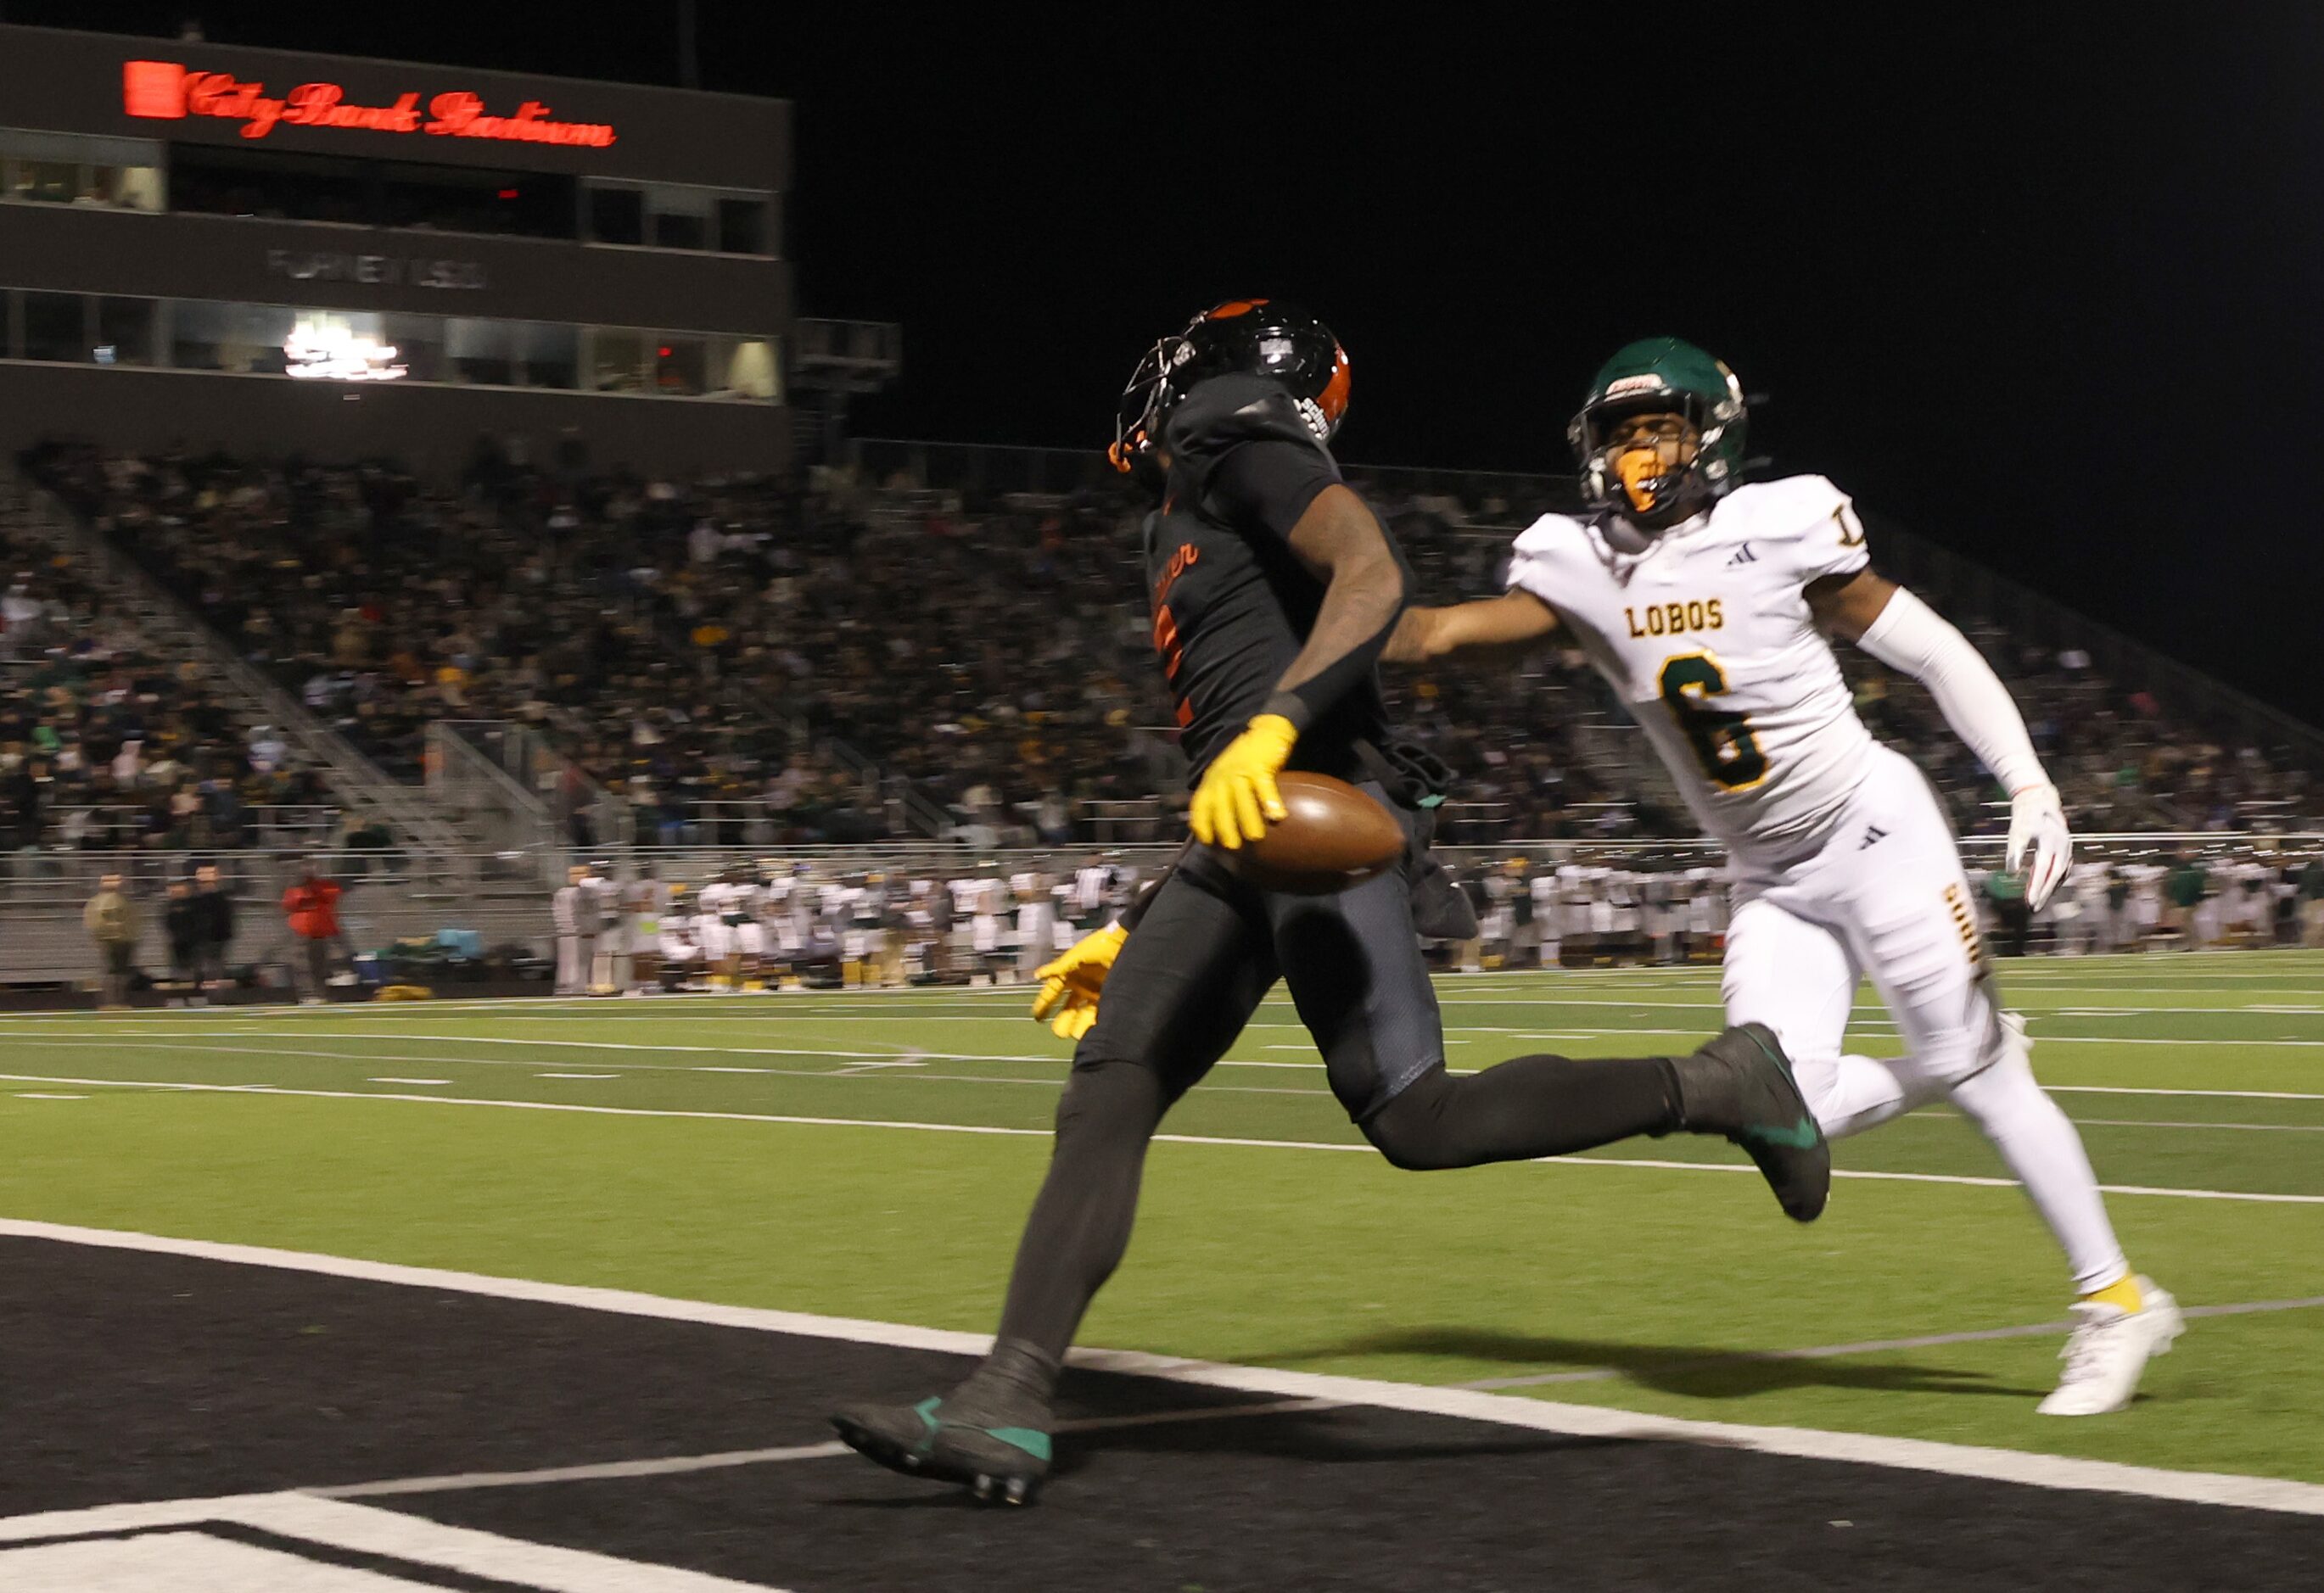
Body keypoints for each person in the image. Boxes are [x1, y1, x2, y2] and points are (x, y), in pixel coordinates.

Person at [830, 302, 1828, 1504]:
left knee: (1416, 1118)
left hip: (1306, 800)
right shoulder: (1201, 487)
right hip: (1249, 824)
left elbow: (1370, 573)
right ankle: (1009, 1397)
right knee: (1111, 1082)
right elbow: (1312, 668)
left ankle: (1720, 1083)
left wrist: (1272, 732)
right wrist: (1146, 918)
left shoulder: (1222, 429)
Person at [1387, 336, 2180, 1416]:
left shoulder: (1781, 523)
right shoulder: (1572, 561)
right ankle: (1957, 1058)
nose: (1633, 457)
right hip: (1767, 873)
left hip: (1874, 833)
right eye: (1618, 436)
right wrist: (1310, 620)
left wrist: (2028, 784)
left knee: (1994, 1087)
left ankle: (2117, 1300)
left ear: (1713, 436)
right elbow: (1432, 636)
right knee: (1775, 1103)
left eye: (1656, 431)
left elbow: (1933, 650)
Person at [281, 863, 342, 1005]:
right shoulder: (295, 889)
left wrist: (310, 896)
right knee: (303, 966)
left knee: (320, 965)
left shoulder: (325, 886)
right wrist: (308, 897)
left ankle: (320, 993)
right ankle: (307, 995)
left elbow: (330, 896)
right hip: (302, 933)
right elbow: (290, 904)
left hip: (321, 932)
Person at [85, 870, 139, 1011]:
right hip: (109, 941)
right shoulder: (97, 902)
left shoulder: (125, 901)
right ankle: (110, 1002)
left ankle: (121, 1001)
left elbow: (133, 921)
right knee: (111, 973)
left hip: (125, 941)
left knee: (122, 974)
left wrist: (130, 936)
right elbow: (95, 922)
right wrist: (107, 934)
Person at [191, 863, 235, 1002]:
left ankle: (215, 997)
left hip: (215, 939)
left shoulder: (218, 899)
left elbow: (224, 919)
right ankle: (212, 997)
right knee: (210, 969)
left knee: (213, 969)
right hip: (207, 939)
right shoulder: (202, 900)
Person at [551, 864, 593, 996]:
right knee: (575, 961)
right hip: (576, 932)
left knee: (569, 960)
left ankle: (567, 985)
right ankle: (575, 985)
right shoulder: (575, 893)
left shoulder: (562, 893)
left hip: (567, 932)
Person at [163, 878, 201, 1006]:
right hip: (177, 943)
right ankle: (178, 997)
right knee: (177, 971)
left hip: (192, 943)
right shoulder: (169, 906)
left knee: (192, 971)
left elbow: (197, 922)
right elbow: (167, 924)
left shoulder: (193, 904)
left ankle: (194, 997)